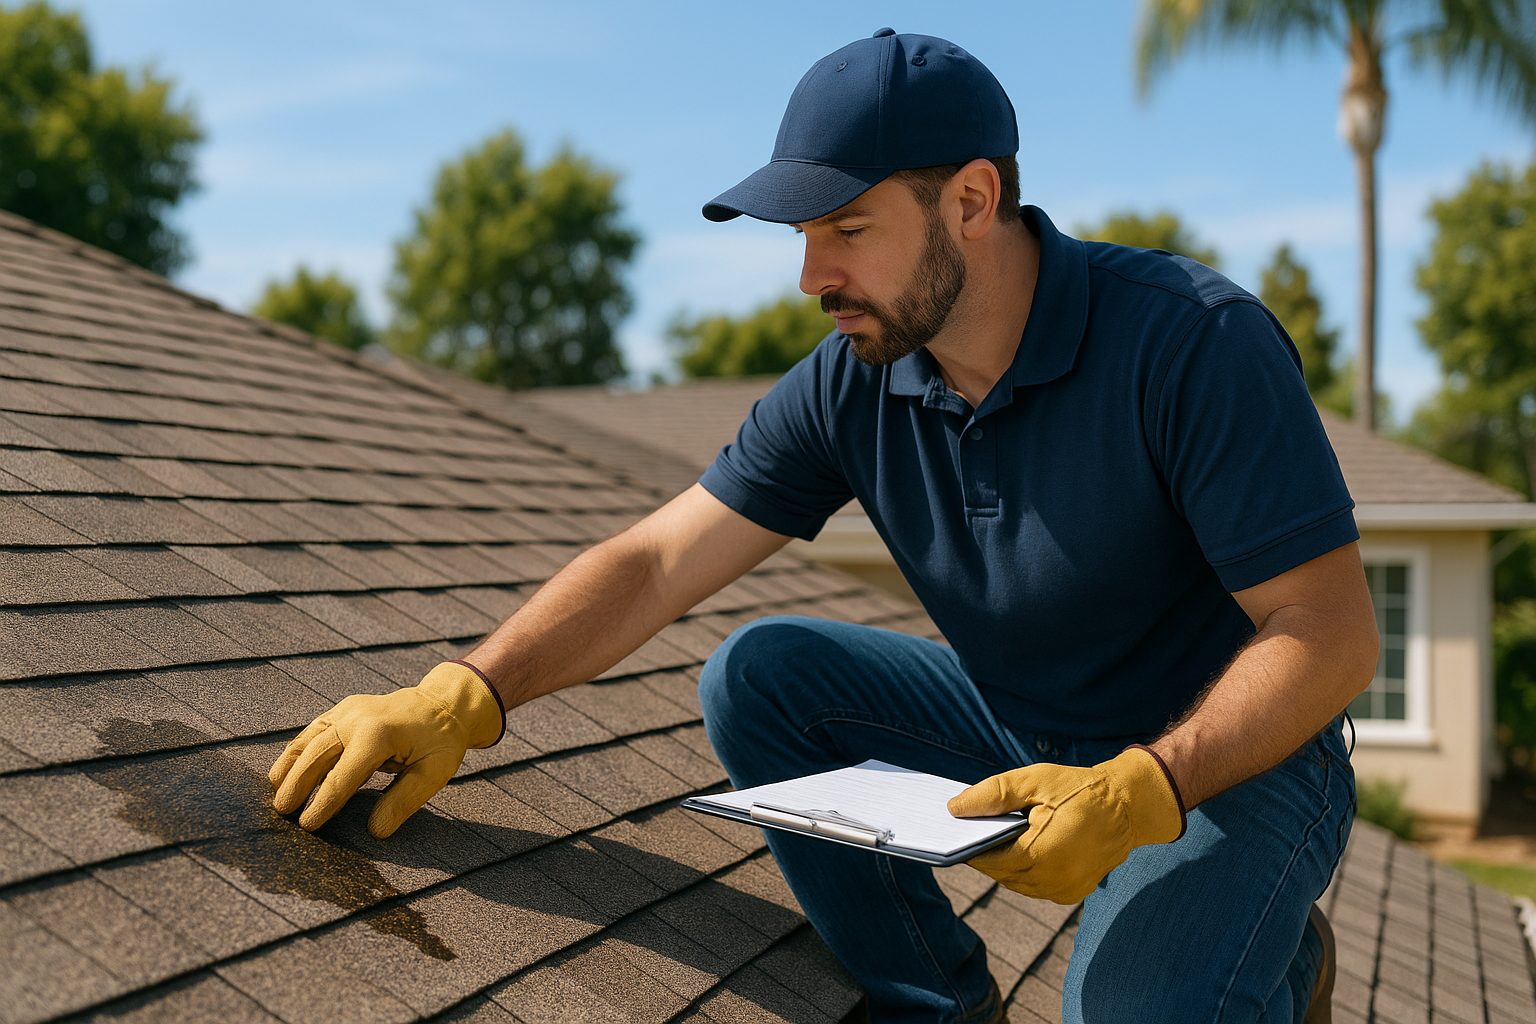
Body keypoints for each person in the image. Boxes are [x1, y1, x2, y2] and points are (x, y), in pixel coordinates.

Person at [269, 29, 1378, 1024]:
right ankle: (937, 998)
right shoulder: (859, 379)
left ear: (973, 202)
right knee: (762, 676)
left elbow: (1331, 632)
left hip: (1235, 763)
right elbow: (659, 560)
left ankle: (1270, 962)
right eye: (806, 232)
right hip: (1028, 729)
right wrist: (470, 690)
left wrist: (1147, 785)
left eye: (849, 226)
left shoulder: (1191, 343)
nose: (812, 275)